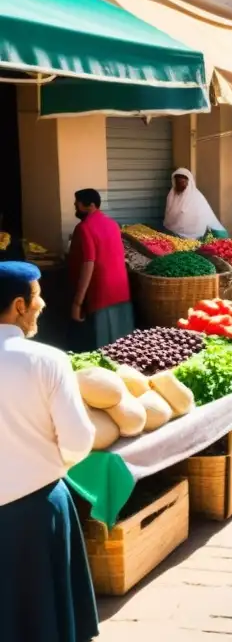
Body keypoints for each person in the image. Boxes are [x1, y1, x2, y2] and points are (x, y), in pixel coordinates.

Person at [0, 261, 98, 641]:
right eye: (37, 296)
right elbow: (77, 442)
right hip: (38, 512)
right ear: (19, 305)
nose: (42, 304)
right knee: (46, 621)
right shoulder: (48, 361)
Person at [67, 189, 134, 352]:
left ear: (90, 205)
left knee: (102, 346)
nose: (75, 206)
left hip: (100, 293)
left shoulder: (85, 228)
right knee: (122, 346)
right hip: (120, 291)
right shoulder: (112, 224)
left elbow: (89, 263)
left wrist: (78, 301)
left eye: (78, 204)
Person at [164, 168, 226, 239]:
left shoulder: (197, 197)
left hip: (195, 234)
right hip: (173, 233)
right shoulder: (171, 195)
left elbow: (201, 218)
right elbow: (169, 214)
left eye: (183, 181)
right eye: (178, 181)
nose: (180, 182)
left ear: (189, 182)